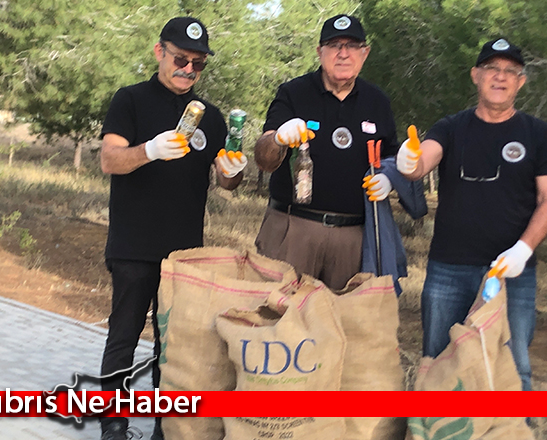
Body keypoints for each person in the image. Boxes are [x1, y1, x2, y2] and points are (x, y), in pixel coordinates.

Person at [98, 16, 246, 440]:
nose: (188, 69)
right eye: (181, 58)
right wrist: (150, 149)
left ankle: (167, 428)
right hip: (133, 244)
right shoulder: (130, 101)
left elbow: (226, 182)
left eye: (197, 64)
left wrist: (233, 170)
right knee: (124, 335)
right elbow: (110, 160)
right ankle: (113, 426)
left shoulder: (212, 119)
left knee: (175, 347)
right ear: (160, 52)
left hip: (184, 255)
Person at [397, 38, 547, 392]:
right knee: (438, 365)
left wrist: (523, 249)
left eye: (510, 71)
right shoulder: (451, 127)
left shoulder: (538, 134)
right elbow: (423, 158)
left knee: (512, 370)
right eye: (492, 69)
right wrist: (410, 162)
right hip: (448, 270)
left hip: (512, 274)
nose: (500, 77)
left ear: (521, 81)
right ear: (476, 75)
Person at [254, 14, 404, 291]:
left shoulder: (378, 101)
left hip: (354, 238)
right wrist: (278, 138)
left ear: (365, 53)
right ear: (320, 51)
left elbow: (392, 158)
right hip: (293, 230)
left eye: (352, 46)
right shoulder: (293, 92)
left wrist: (391, 176)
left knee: (341, 326)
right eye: (334, 45)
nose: (343, 53)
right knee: (277, 321)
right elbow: (263, 158)